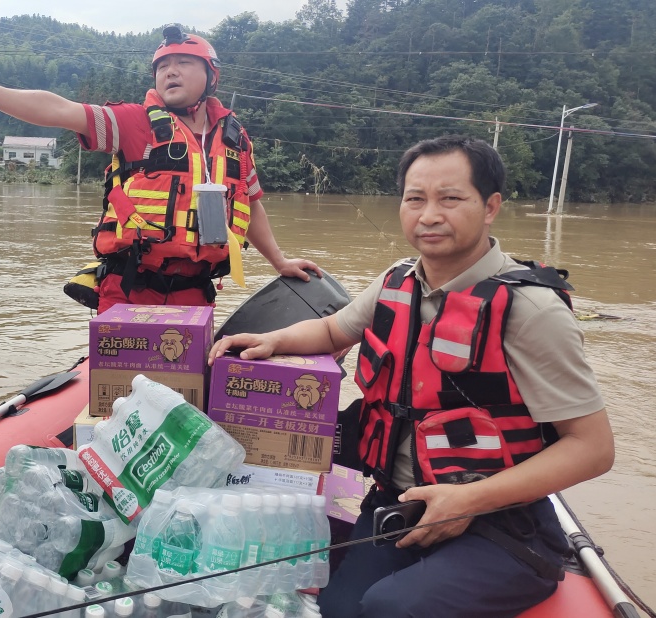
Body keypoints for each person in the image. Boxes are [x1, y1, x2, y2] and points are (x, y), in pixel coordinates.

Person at [208, 135, 614, 617]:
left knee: (391, 608)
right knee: (339, 607)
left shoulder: (530, 310)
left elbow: (593, 447)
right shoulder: (396, 281)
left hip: (501, 524)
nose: (429, 215)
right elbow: (334, 328)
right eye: (415, 199)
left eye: (451, 198)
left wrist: (472, 498)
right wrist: (272, 339)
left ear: (491, 207)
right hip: (398, 507)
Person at [0, 24, 322, 314]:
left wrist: (280, 262)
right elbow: (59, 110)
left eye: (184, 62)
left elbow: (250, 205)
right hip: (131, 286)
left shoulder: (236, 140)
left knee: (185, 393)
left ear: (211, 76)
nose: (171, 71)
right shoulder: (136, 123)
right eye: (163, 66)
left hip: (196, 291)